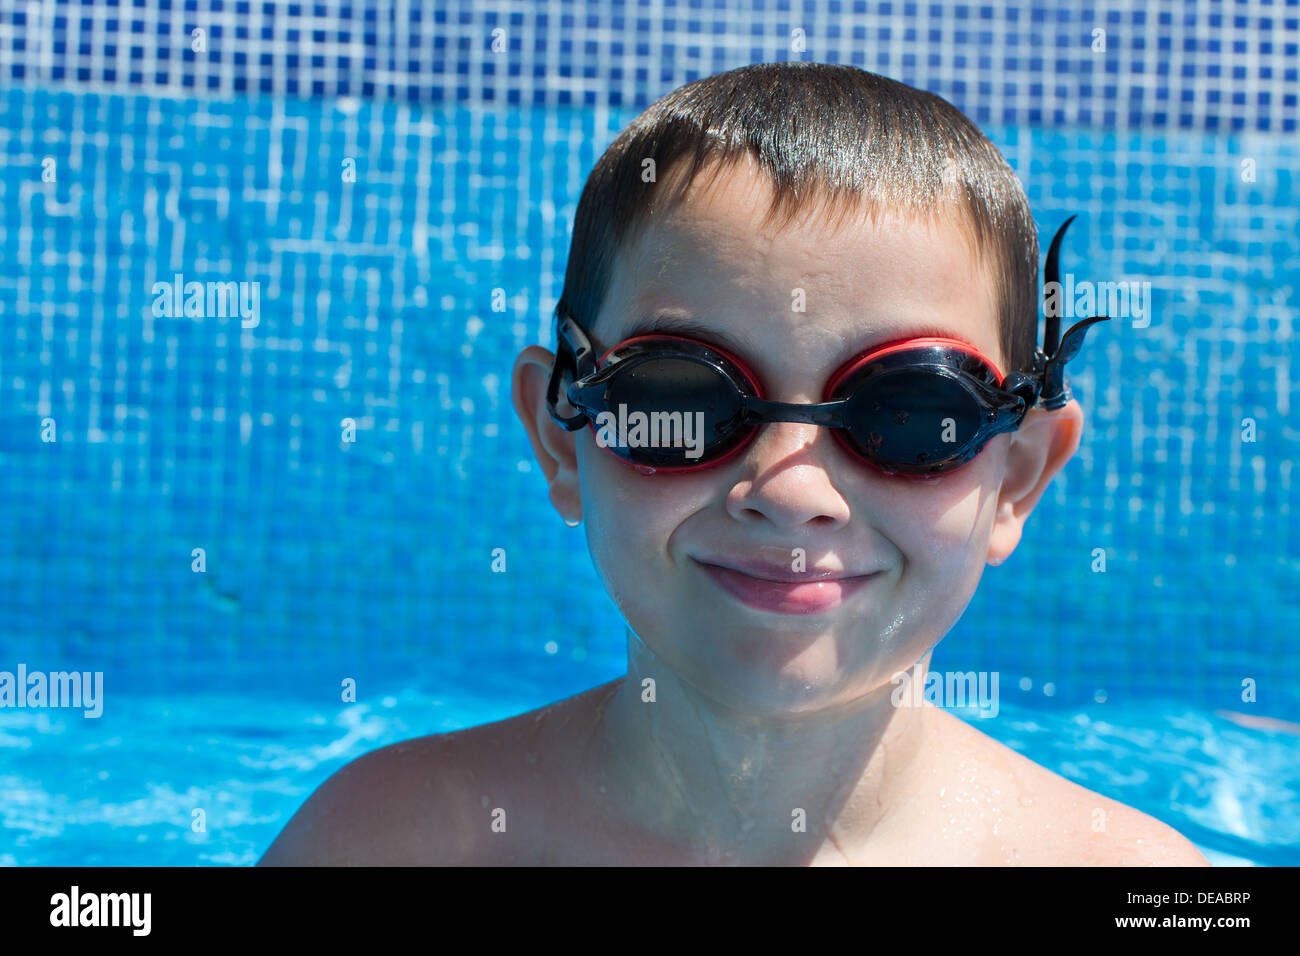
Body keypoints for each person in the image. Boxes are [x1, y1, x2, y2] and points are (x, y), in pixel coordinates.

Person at [260, 62, 1209, 866]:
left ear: (1016, 479)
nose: (793, 491)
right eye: (681, 398)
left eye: (913, 415)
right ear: (560, 436)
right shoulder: (396, 841)